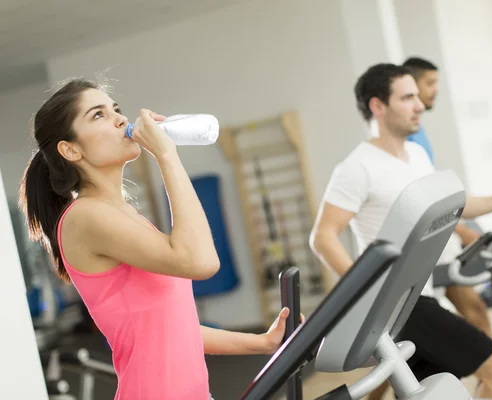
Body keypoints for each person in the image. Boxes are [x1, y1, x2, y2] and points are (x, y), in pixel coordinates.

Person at [19, 78, 294, 400]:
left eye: (116, 110)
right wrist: (166, 156)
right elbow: (201, 262)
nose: (121, 119)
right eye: (98, 115)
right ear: (70, 149)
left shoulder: (122, 215)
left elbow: (169, 326)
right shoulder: (86, 217)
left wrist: (260, 342)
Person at [310, 63, 492, 399]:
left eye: (417, 97)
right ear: (378, 106)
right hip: (400, 304)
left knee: (431, 391)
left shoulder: (416, 155)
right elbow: (323, 236)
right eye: (408, 98)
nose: (419, 105)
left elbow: (455, 204)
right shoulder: (357, 167)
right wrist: (366, 293)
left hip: (421, 294)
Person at [403, 56, 492, 340]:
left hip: (438, 237)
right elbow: (422, 200)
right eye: (429, 83)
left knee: (474, 311)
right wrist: (461, 229)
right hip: (423, 243)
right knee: (408, 335)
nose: (435, 90)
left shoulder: (418, 132)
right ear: (411, 85)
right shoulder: (407, 138)